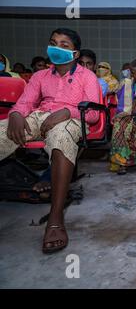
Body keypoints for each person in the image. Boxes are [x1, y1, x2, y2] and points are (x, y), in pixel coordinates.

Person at [0, 28, 101, 254]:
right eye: (53, 42)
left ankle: (55, 219)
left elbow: (93, 113)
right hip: (40, 117)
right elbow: (25, 103)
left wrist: (67, 112)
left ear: (75, 54)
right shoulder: (39, 76)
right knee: (4, 130)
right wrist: (16, 114)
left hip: (72, 120)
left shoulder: (88, 77)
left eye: (64, 45)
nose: (56, 47)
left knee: (61, 135)